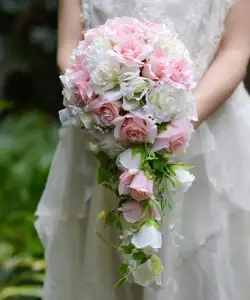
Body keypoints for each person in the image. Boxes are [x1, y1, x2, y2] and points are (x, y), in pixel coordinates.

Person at [35, 0, 250, 299]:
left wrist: (175, 125)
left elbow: (236, 48)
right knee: (108, 258)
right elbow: (69, 45)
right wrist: (108, 108)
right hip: (104, 138)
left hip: (208, 139)